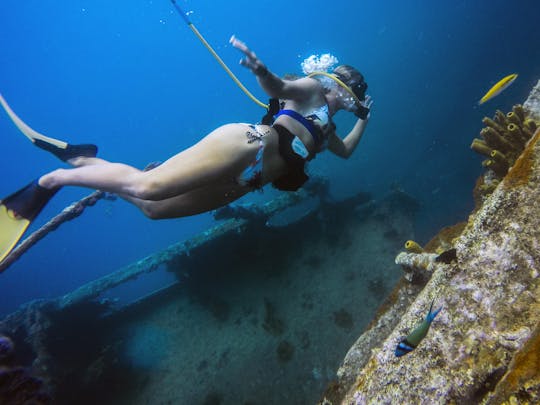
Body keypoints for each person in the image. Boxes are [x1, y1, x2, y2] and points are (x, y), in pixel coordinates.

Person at [0, 37, 372, 261]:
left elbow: (348, 152)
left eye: (351, 98)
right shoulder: (310, 91)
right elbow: (278, 88)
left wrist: (364, 121)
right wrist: (261, 71)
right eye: (346, 91)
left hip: (245, 182)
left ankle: (86, 159)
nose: (344, 97)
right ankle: (55, 178)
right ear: (334, 84)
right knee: (148, 187)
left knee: (152, 209)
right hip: (245, 146)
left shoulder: (329, 132)